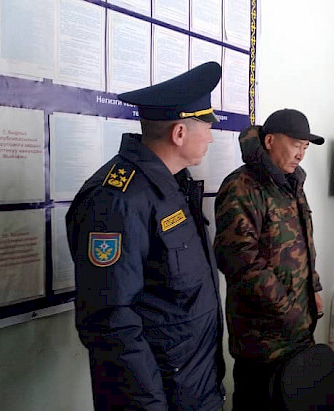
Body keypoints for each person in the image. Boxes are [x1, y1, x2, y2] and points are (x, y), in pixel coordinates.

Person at [66, 62, 225, 410]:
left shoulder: (171, 187)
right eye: (207, 127)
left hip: (194, 386)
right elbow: (110, 323)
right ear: (179, 133)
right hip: (158, 398)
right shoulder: (116, 201)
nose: (211, 137)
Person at [213, 109, 325, 410]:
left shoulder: (291, 183)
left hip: (297, 329)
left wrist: (313, 288)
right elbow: (240, 261)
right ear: (270, 141)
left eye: (305, 147)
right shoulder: (242, 186)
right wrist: (289, 310)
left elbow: (303, 242)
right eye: (296, 145)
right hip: (261, 339)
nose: (301, 154)